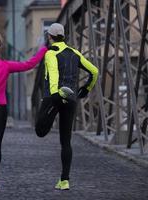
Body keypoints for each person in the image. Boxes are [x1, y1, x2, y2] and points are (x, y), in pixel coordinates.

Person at [0, 30, 47, 191]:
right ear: (0, 47)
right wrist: (43, 49)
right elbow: (29, 64)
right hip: (1, 107)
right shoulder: (6, 65)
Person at [35, 23, 99, 190]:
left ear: (49, 37)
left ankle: (63, 180)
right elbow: (94, 71)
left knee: (40, 131)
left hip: (54, 97)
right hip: (71, 99)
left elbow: (54, 74)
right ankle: (64, 181)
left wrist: (56, 95)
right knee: (66, 141)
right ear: (62, 36)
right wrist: (86, 88)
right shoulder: (74, 53)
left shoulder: (51, 53)